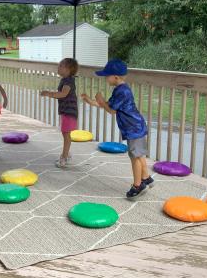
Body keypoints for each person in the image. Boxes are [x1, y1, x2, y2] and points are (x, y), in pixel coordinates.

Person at [81, 59, 154, 199]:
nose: (105, 78)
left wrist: (101, 101)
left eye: (106, 76)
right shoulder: (119, 89)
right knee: (138, 154)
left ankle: (138, 185)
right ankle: (147, 178)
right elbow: (109, 104)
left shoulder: (123, 91)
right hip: (133, 127)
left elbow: (111, 110)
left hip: (134, 127)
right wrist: (91, 101)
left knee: (135, 156)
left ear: (115, 77)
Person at [40, 58, 78, 168]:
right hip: (66, 111)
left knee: (66, 134)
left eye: (61, 66)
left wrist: (49, 93)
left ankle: (64, 157)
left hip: (69, 111)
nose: (58, 67)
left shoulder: (68, 81)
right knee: (65, 133)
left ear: (68, 69)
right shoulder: (65, 79)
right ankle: (67, 153)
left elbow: (63, 94)